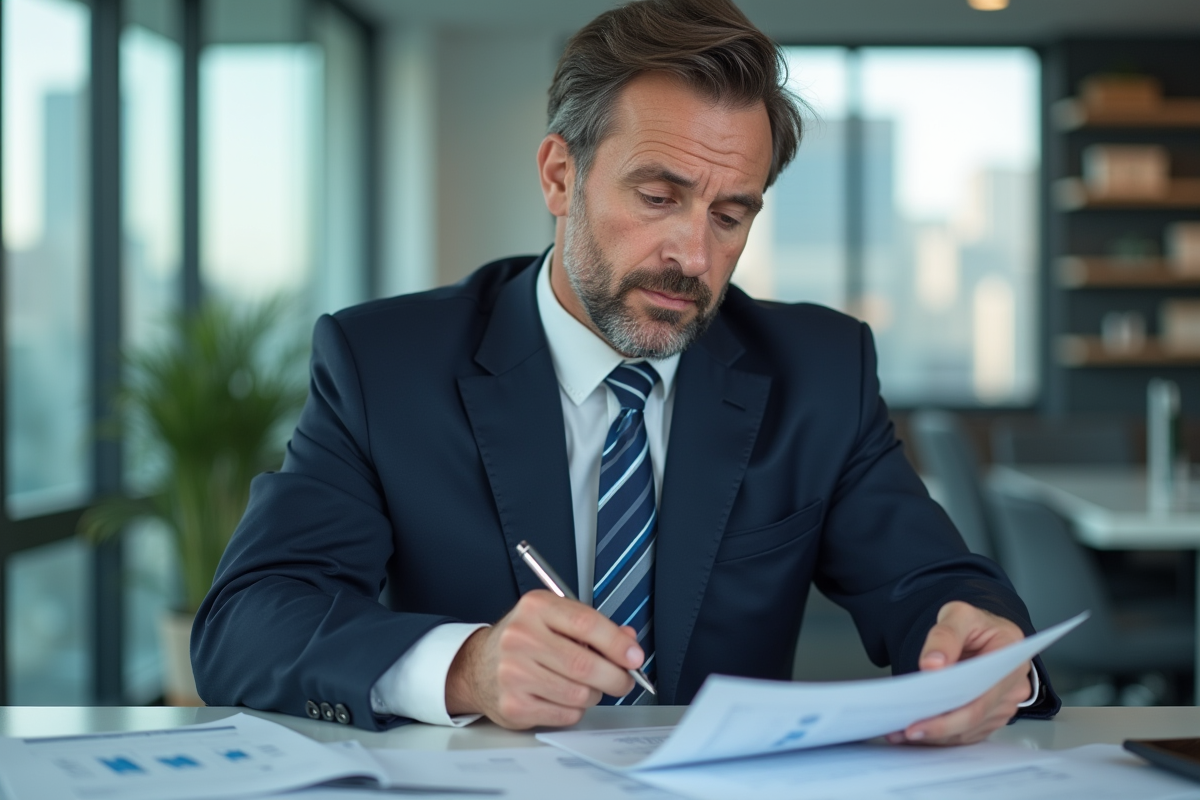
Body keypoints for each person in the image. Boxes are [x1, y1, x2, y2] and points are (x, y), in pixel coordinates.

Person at [192, 0, 1059, 742]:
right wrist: (466, 667)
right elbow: (248, 622)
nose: (692, 255)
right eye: (658, 197)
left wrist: (983, 652)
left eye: (729, 215)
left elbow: (931, 583)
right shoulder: (386, 366)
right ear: (560, 176)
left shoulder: (818, 372)